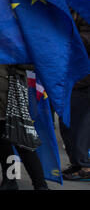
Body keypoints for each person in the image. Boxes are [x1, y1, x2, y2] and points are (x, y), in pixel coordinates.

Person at [0, 35, 49, 190]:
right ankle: (10, 179)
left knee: (24, 144)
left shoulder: (16, 39)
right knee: (2, 145)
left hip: (11, 102)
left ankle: (40, 185)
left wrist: (12, 51)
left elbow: (33, 63)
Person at [59, 10, 90, 181]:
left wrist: (68, 34)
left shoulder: (84, 9)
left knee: (79, 126)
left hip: (84, 80)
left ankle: (84, 166)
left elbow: (84, 41)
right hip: (73, 79)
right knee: (67, 124)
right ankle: (77, 163)